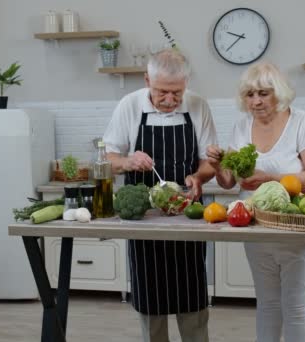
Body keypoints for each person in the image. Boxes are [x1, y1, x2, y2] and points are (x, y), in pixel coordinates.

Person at [207, 62, 305, 342]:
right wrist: (217, 165)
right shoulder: (241, 127)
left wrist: (268, 178)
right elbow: (229, 181)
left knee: (296, 307)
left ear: (279, 93)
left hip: (297, 227)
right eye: (250, 94)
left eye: (263, 93)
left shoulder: (303, 122)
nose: (256, 101)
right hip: (257, 228)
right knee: (267, 304)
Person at [103, 48, 217, 342]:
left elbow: (208, 161)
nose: (170, 100)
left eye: (177, 92)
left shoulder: (198, 106)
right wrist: (128, 161)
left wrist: (199, 176)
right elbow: (110, 158)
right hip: (144, 218)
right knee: (150, 295)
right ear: (146, 81)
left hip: (187, 215)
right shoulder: (129, 106)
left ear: (186, 83)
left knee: (192, 292)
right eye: (162, 92)